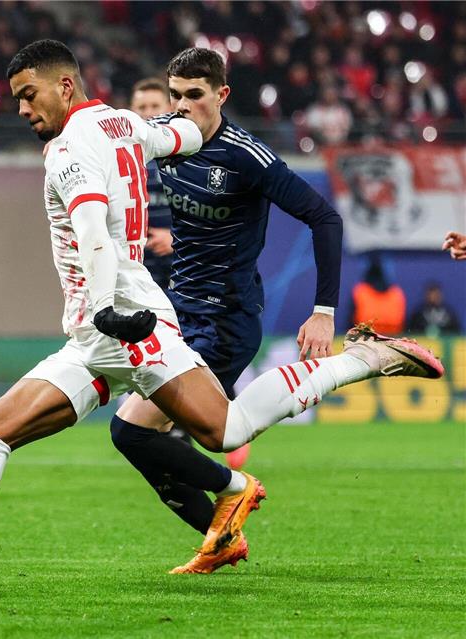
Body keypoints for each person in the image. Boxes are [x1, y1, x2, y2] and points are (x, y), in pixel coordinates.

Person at [0, 40, 443, 583]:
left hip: (129, 324)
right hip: (96, 336)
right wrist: (184, 131)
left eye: (28, 94)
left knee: (225, 431)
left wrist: (106, 307)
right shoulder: (122, 123)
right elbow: (184, 137)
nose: (21, 109)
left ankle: (363, 361)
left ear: (64, 86)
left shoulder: (68, 149)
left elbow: (91, 230)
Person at [110, 47, 347, 572]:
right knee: (143, 442)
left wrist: (324, 311)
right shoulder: (165, 138)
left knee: (135, 433)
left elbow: (325, 218)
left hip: (225, 321)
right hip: (176, 314)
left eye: (194, 95)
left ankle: (236, 485)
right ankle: (222, 538)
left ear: (221, 95)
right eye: (174, 95)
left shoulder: (246, 156)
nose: (181, 106)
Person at [128, 78, 174, 291]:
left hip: (180, 268)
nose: (148, 113)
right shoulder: (118, 157)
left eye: (155, 106)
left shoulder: (189, 155)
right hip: (136, 270)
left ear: (170, 108)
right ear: (131, 111)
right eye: (142, 107)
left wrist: (175, 239)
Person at [350, 255, 405, 336]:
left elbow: (351, 321)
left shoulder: (360, 290)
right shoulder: (397, 292)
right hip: (389, 336)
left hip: (368, 336)